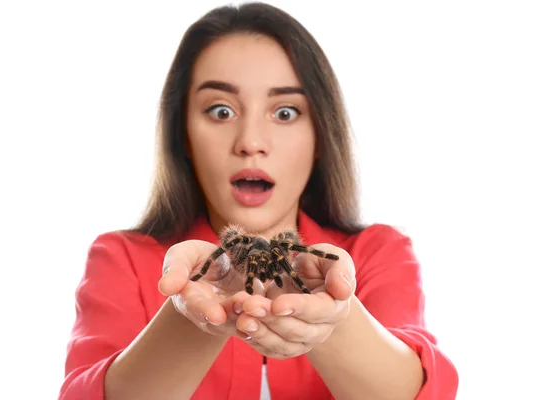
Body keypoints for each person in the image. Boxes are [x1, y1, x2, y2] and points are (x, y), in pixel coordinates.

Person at [58, 2, 459, 399]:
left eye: (285, 112)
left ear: (320, 135)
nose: (250, 143)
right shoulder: (121, 258)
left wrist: (335, 313)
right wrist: (190, 310)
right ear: (183, 136)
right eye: (220, 110)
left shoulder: (378, 252)